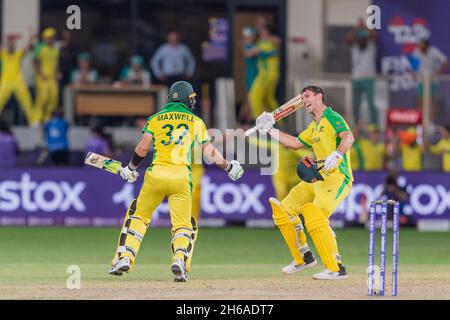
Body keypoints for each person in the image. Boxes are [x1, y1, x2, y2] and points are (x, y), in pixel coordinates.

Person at [109, 81, 244, 282]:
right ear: (186, 99)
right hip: (181, 177)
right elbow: (210, 153)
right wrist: (229, 167)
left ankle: (125, 257)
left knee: (138, 217)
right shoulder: (195, 121)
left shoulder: (155, 118)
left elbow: (143, 147)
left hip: (156, 175)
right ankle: (179, 259)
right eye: (192, 98)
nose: (193, 101)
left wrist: (130, 168)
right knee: (182, 225)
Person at [255, 85, 354, 280]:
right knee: (283, 210)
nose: (303, 100)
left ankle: (336, 268)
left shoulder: (332, 117)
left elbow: (348, 137)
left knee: (314, 217)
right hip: (317, 178)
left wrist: (338, 153)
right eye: (301, 97)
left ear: (319, 97)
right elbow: (294, 143)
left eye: (307, 96)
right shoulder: (314, 126)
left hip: (337, 178)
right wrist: (269, 130)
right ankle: (303, 257)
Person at [346, 18, 378, 126]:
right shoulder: (354, 47)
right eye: (360, 39)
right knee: (355, 104)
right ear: (357, 40)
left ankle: (373, 124)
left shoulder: (370, 46)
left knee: (370, 103)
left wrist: (364, 26)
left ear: (366, 39)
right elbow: (348, 38)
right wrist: (357, 28)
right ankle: (356, 124)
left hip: (369, 78)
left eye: (363, 39)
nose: (362, 41)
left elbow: (374, 36)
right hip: (356, 79)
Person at [0, 33, 37, 125]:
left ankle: (33, 121)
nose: (11, 47)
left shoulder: (18, 54)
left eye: (12, 46)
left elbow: (26, 48)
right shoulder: (3, 54)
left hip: (18, 81)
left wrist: (31, 38)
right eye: (9, 45)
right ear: (6, 46)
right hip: (6, 81)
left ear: (15, 47)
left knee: (26, 100)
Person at [248, 23, 280, 120]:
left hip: (265, 76)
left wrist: (245, 44)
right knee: (269, 99)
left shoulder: (264, 44)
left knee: (254, 97)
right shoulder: (272, 43)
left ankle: (260, 122)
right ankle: (280, 122)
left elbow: (249, 53)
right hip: (273, 75)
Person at [412, 38, 449, 123]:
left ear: (426, 46)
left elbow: (445, 62)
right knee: (420, 102)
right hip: (421, 81)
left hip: (432, 81)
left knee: (431, 103)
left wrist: (438, 73)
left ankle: (430, 122)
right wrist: (414, 73)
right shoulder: (416, 51)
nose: (419, 47)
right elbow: (413, 64)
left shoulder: (434, 52)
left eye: (421, 45)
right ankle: (420, 122)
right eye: (419, 45)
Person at [34, 28, 61, 123]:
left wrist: (58, 73)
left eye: (51, 37)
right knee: (42, 98)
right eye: (47, 38)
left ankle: (48, 118)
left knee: (53, 98)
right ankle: (37, 119)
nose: (49, 39)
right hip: (43, 77)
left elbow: (56, 63)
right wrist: (41, 74)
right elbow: (35, 62)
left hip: (52, 78)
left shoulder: (56, 49)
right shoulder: (40, 47)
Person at [238, 27, 259, 123]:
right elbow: (247, 54)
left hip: (255, 74)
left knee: (249, 97)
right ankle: (247, 118)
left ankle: (244, 118)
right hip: (251, 74)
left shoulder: (250, 45)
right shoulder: (247, 46)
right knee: (250, 97)